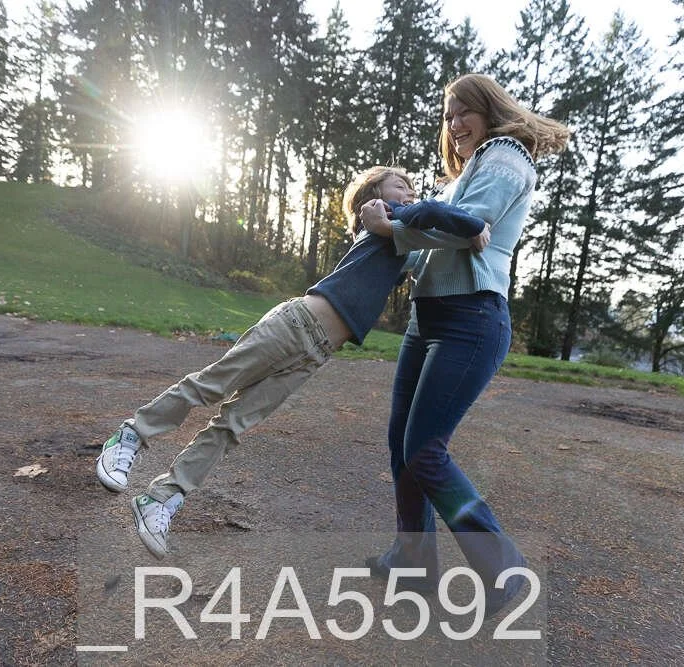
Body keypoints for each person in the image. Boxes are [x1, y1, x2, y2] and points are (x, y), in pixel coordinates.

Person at [96, 165, 493, 559]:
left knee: (234, 425)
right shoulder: (381, 214)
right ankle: (131, 435)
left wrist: (458, 230)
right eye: (400, 185)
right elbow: (431, 213)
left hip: (316, 352)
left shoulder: (394, 234)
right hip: (296, 325)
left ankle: (162, 498)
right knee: (211, 385)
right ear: (374, 194)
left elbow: (427, 241)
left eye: (411, 188)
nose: (409, 192)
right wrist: (474, 225)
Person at [359, 73, 570, 614]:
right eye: (448, 117)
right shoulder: (466, 172)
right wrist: (378, 232)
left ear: (489, 110)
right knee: (402, 445)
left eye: (463, 112)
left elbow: (466, 227)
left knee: (425, 450)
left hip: (471, 319)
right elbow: (430, 242)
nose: (454, 125)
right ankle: (413, 561)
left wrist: (391, 223)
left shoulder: (504, 155)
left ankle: (503, 565)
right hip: (428, 317)